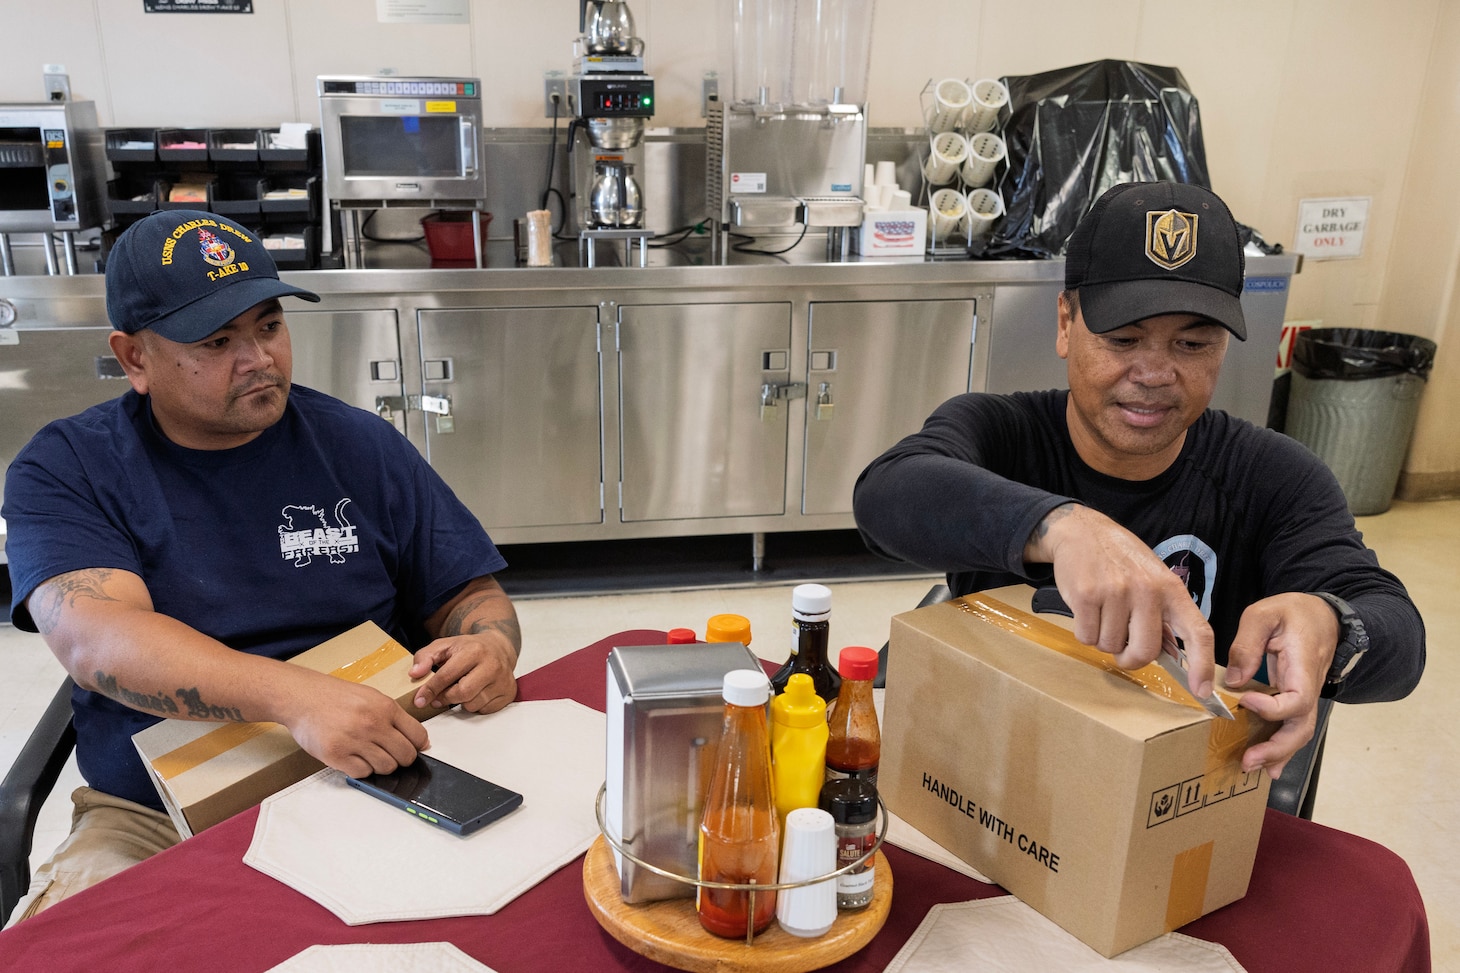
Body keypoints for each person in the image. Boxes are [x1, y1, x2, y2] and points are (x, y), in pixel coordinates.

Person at [2, 210, 521, 922]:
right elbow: (99, 639)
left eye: (269, 326)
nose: (259, 360)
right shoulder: (69, 468)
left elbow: (468, 591)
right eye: (218, 340)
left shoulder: (358, 444)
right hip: (155, 815)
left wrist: (490, 644)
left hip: (379, 769)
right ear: (134, 359)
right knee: (76, 946)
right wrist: (299, 699)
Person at [853, 181, 1424, 779]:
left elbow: (1399, 637)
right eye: (1123, 339)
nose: (1154, 373)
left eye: (1193, 343)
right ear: (1066, 323)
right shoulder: (999, 433)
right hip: (991, 766)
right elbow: (888, 495)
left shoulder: (1273, 477)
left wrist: (1332, 625)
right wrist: (1061, 527)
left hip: (1171, 792)